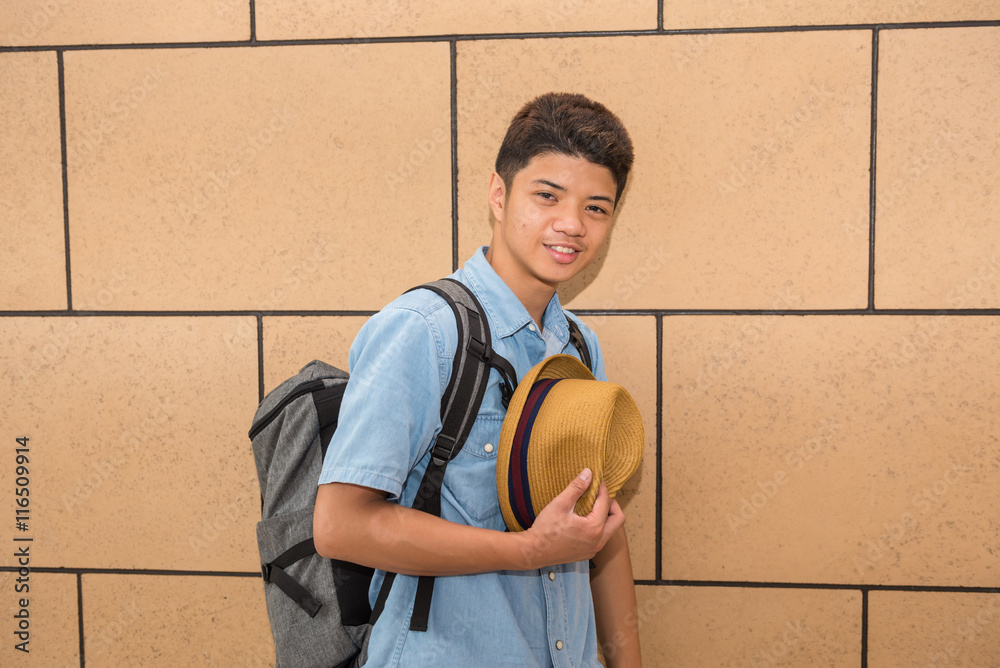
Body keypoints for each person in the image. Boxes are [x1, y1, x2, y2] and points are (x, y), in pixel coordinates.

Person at [314, 91, 640, 667]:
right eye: (547, 196)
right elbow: (341, 526)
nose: (571, 224)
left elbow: (602, 534)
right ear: (498, 193)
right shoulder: (425, 331)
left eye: (597, 207)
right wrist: (529, 550)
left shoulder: (580, 347)